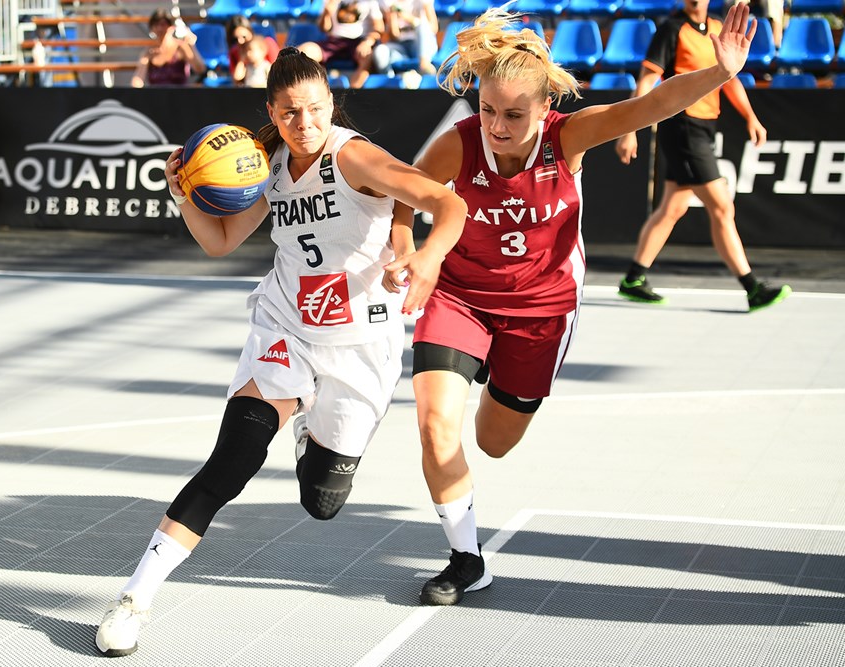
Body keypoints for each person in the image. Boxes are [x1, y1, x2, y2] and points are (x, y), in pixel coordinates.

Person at [94, 46, 467, 657]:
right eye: (291, 113)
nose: (305, 124)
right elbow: (219, 242)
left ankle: (312, 433)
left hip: (359, 345)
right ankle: (134, 601)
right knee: (233, 458)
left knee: (322, 501)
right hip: (286, 327)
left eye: (316, 110)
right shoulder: (261, 163)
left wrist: (424, 257)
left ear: (330, 106)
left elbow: (448, 203)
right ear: (272, 109)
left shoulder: (354, 156)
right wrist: (182, 189)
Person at [386, 3, 764, 606]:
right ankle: (465, 557)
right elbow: (402, 194)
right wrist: (408, 249)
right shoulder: (458, 147)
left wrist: (718, 73)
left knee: (493, 443)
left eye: (513, 115)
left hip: (541, 310)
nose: (497, 127)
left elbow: (647, 107)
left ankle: (489, 375)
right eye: (487, 110)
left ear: (544, 108)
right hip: (460, 298)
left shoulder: (569, 136)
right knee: (435, 427)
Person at [615, 0, 790, 312]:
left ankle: (633, 279)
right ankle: (752, 288)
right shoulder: (671, 29)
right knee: (722, 206)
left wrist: (750, 116)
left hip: (706, 124)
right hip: (682, 125)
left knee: (672, 207)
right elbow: (646, 80)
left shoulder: (717, 28)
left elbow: (729, 76)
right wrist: (629, 129)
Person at [298, 0, 385, 88]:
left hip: (359, 42)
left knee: (367, 56)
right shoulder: (330, 1)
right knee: (303, 52)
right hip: (333, 41)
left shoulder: (370, 2)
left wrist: (368, 42)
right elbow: (324, 28)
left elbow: (379, 28)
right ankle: (317, 90)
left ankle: (353, 93)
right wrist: (326, 13)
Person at [131, 9, 206, 88]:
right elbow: (138, 78)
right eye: (156, 25)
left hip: (179, 96)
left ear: (171, 27)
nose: (160, 28)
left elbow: (200, 69)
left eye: (163, 24)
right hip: (156, 96)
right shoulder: (149, 52)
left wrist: (191, 45)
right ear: (152, 28)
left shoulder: (180, 47)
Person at [373, 0, 438, 76]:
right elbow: (395, 36)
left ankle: (425, 70)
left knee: (422, 27)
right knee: (380, 51)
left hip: (423, 46)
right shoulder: (389, 3)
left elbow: (434, 28)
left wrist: (410, 19)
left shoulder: (423, 2)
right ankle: (391, 81)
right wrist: (392, 16)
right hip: (401, 48)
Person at [225, 15, 278, 86]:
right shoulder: (234, 52)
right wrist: (242, 59)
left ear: (250, 32)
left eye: (244, 37)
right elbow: (237, 79)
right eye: (235, 39)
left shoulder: (267, 44)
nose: (240, 41)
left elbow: (277, 73)